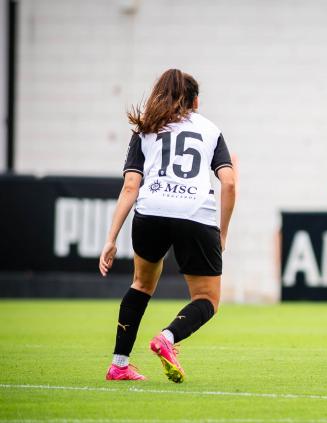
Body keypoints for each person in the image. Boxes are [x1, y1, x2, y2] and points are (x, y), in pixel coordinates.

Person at [99, 69, 236, 382]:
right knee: (207, 299)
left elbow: (131, 187)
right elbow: (228, 183)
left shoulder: (145, 129)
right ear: (196, 101)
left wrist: (111, 238)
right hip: (194, 214)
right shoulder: (210, 129)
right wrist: (222, 232)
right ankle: (167, 338)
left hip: (151, 212)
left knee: (141, 285)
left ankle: (119, 364)